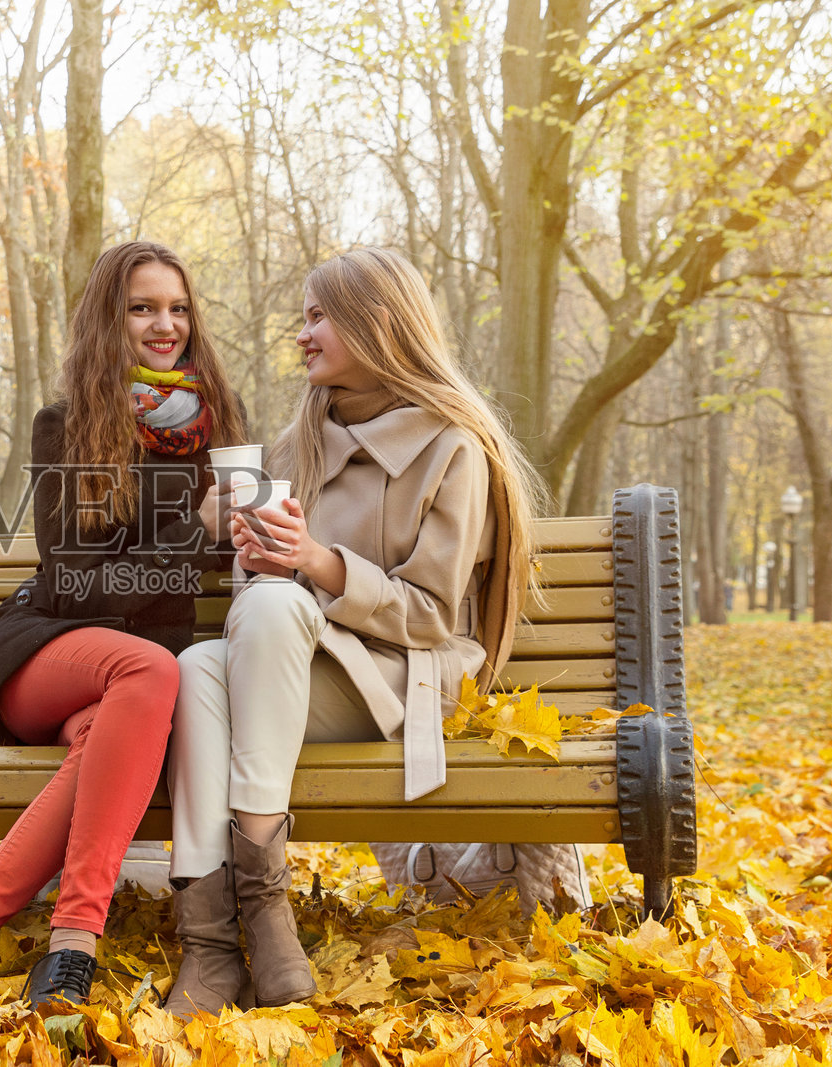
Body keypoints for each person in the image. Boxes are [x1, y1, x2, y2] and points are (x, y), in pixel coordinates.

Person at [163, 247, 542, 1015]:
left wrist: (320, 563)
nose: (302, 334)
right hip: (296, 671)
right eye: (303, 316)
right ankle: (209, 945)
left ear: (376, 324)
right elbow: (248, 544)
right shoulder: (302, 436)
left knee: (264, 616)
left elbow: (434, 614)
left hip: (403, 679)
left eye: (317, 315)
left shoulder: (454, 448)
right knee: (197, 668)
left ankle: (264, 913)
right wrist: (221, 515)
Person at [0, 241, 246, 1005]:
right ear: (108, 319)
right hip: (46, 653)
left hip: (138, 689)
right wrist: (190, 531)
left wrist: (260, 527)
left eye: (179, 308)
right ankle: (75, 938)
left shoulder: (219, 432)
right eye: (143, 308)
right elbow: (72, 584)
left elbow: (196, 579)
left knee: (127, 714)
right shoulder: (65, 427)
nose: (166, 325)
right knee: (150, 670)